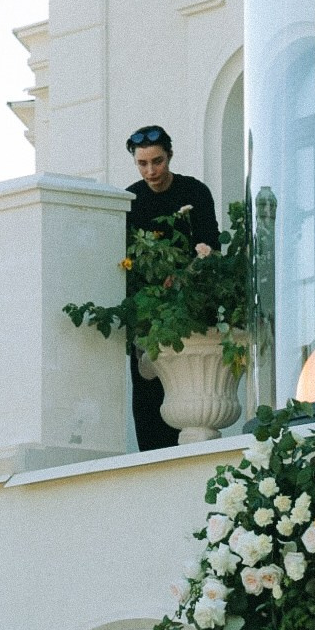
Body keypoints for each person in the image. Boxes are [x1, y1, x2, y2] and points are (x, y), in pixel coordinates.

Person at [125, 124, 222, 450]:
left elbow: (210, 246)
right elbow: (126, 261)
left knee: (191, 398)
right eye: (143, 163)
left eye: (158, 161)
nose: (151, 170)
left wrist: (184, 277)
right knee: (149, 403)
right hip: (148, 316)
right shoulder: (131, 200)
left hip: (191, 309)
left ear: (170, 156)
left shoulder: (194, 193)